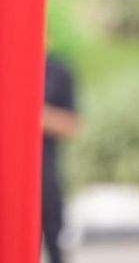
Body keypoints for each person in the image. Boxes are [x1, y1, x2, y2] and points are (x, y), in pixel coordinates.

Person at [41, 54, 80, 263]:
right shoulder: (3, 69)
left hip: (47, 174)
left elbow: (71, 125)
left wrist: (32, 113)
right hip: (2, 178)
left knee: (55, 245)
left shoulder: (58, 72)